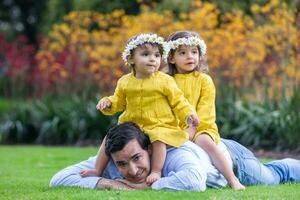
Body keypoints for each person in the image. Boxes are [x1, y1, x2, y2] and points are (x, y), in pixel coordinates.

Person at [80, 33, 199, 185]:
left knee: (158, 139)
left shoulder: (165, 81)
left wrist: (188, 114)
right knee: (109, 137)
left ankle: (156, 170)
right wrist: (108, 103)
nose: (152, 59)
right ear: (130, 59)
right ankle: (97, 169)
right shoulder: (124, 81)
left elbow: (178, 101)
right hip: (132, 126)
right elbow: (118, 102)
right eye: (145, 54)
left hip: (158, 124)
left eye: (157, 55)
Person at [49, 122, 300, 191]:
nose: (133, 171)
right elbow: (58, 179)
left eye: (137, 158)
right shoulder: (111, 164)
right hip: (209, 154)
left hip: (229, 159)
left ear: (149, 148)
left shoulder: (173, 153)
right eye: (122, 164)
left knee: (275, 175)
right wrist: (111, 183)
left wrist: (141, 190)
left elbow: (194, 183)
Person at [165, 30, 245, 190]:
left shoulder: (204, 80)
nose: (190, 57)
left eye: (194, 52)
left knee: (205, 142)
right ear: (172, 58)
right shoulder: (167, 81)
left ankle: (232, 179)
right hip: (174, 128)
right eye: (183, 53)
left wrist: (192, 131)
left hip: (201, 128)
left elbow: (206, 111)